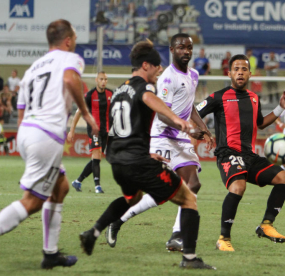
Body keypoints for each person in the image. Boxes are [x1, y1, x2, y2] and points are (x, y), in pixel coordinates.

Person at [0, 19, 99, 273]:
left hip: (27, 132)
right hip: (46, 135)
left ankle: (50, 254)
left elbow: (21, 108)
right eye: (74, 36)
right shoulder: (70, 59)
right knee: (32, 201)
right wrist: (85, 114)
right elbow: (69, 80)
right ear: (67, 40)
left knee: (61, 187)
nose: (75, 40)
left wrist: (27, 134)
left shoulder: (33, 68)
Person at [79, 40, 215, 270]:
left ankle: (93, 231)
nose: (159, 70)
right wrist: (178, 121)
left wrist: (146, 152)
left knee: (132, 198)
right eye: (155, 66)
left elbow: (115, 130)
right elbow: (150, 99)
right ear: (145, 66)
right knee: (189, 198)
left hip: (117, 161)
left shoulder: (118, 91)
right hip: (138, 161)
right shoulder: (144, 87)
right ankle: (189, 258)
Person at [196, 54, 285, 251]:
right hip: (227, 154)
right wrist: (202, 131)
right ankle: (223, 238)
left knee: (283, 178)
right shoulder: (218, 97)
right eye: (236, 69)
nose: (240, 72)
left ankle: (266, 225)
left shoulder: (254, 98)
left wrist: (280, 108)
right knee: (238, 187)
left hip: (249, 156)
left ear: (250, 73)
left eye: (244, 69)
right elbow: (195, 113)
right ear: (229, 73)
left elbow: (260, 123)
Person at [67, 71, 113, 194]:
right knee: (97, 156)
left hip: (106, 131)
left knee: (96, 159)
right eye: (101, 79)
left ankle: (78, 181)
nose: (104, 81)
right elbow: (78, 113)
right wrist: (72, 130)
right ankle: (97, 186)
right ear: (97, 80)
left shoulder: (110, 94)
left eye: (106, 79)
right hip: (94, 130)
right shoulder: (90, 95)